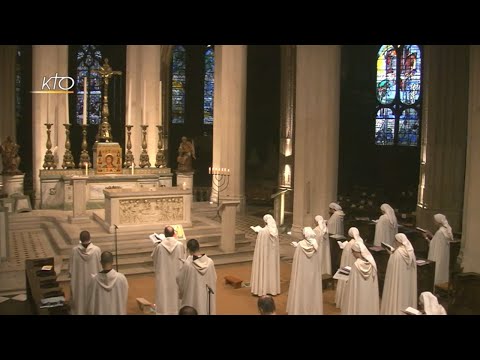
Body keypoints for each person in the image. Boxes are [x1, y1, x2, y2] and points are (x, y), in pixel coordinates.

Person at [286, 227, 323, 315]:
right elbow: (317, 262)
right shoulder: (315, 245)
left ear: (304, 234)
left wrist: (297, 245)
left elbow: (296, 262)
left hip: (301, 275)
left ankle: (299, 310)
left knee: (301, 289)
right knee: (312, 290)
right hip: (313, 275)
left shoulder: (300, 245)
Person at [176, 239, 217, 315]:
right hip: (205, 296)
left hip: (192, 297)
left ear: (188, 249)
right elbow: (214, 278)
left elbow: (180, 279)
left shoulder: (188, 264)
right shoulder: (210, 262)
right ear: (199, 247)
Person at [151, 225, 186, 315]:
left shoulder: (159, 246)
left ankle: (163, 311)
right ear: (174, 234)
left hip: (163, 276)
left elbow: (154, 259)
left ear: (164, 235)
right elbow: (183, 259)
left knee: (164, 292)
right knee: (175, 293)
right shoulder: (180, 245)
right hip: (176, 275)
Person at [380, 233, 417, 315]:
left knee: (397, 295)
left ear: (399, 241)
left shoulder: (398, 253)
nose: (395, 243)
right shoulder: (410, 251)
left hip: (398, 281)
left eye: (395, 241)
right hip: (407, 282)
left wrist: (391, 255)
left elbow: (392, 265)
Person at [68, 230, 101, 315]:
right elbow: (100, 269)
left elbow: (70, 270)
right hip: (93, 282)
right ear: (90, 238)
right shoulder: (97, 250)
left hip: (79, 284)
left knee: (80, 304)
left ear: (80, 239)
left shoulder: (74, 251)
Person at [342, 241, 380, 315]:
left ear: (357, 251)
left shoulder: (356, 265)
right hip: (368, 293)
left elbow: (352, 283)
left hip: (358, 293)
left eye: (353, 251)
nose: (352, 254)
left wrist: (348, 280)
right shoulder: (372, 264)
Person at [250, 214, 281, 296]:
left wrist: (257, 231)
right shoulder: (275, 231)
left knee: (263, 268)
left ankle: (262, 289)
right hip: (272, 256)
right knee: (271, 270)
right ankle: (272, 289)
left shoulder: (263, 232)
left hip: (264, 256)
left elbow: (260, 245)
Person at [335, 227, 364, 309]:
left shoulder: (349, 244)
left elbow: (345, 258)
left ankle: (343, 300)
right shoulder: (360, 242)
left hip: (348, 267)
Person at [426, 213, 452, 285]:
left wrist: (426, 237)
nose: (434, 222)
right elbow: (437, 240)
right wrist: (431, 235)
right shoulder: (445, 230)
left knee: (436, 271)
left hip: (437, 255)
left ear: (438, 222)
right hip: (443, 256)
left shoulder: (440, 232)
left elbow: (433, 244)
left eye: (435, 221)